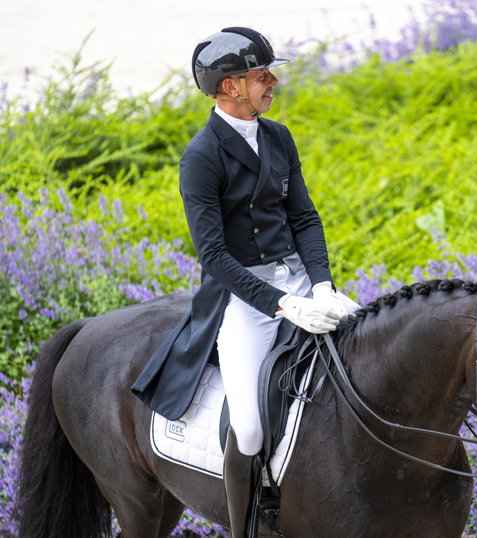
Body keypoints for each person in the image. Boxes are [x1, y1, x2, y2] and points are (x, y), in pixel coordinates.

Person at [131, 26, 357, 536]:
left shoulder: (278, 136)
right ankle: (247, 527)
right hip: (243, 297)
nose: (272, 82)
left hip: (299, 282)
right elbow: (213, 256)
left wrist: (320, 285)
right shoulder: (201, 156)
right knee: (250, 427)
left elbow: (305, 219)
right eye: (262, 76)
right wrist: (283, 306)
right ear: (230, 87)